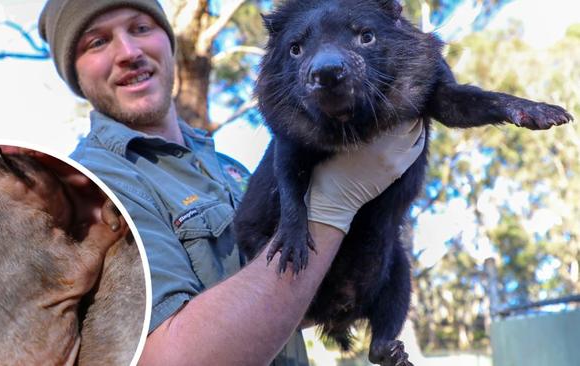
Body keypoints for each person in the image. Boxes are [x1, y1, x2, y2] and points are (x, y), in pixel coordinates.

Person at [38, 1, 425, 365]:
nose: (128, 51)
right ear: (74, 71)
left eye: (140, 28)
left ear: (168, 42)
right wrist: (329, 210)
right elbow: (171, 357)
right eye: (98, 42)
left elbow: (279, 307)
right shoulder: (89, 188)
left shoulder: (229, 169)